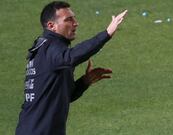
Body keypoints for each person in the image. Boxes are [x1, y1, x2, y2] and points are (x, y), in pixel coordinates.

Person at [15, 1, 127, 135]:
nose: (75, 23)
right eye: (68, 19)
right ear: (52, 26)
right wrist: (107, 33)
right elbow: (71, 57)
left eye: (74, 18)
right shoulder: (50, 47)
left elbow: (64, 96)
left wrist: (85, 81)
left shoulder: (49, 49)